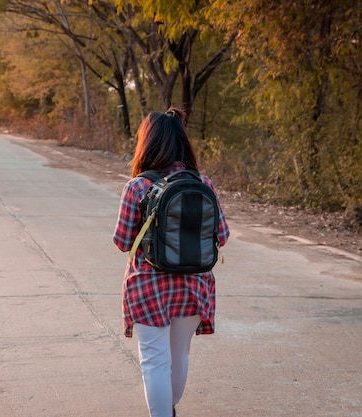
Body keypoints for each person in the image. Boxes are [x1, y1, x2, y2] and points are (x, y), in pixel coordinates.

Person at [113, 109, 230, 417]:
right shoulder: (203, 183)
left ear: (147, 143)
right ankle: (170, 408)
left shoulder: (136, 187)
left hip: (148, 287)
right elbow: (223, 235)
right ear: (183, 143)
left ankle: (162, 412)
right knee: (179, 357)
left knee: (154, 361)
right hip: (194, 286)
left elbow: (123, 242)